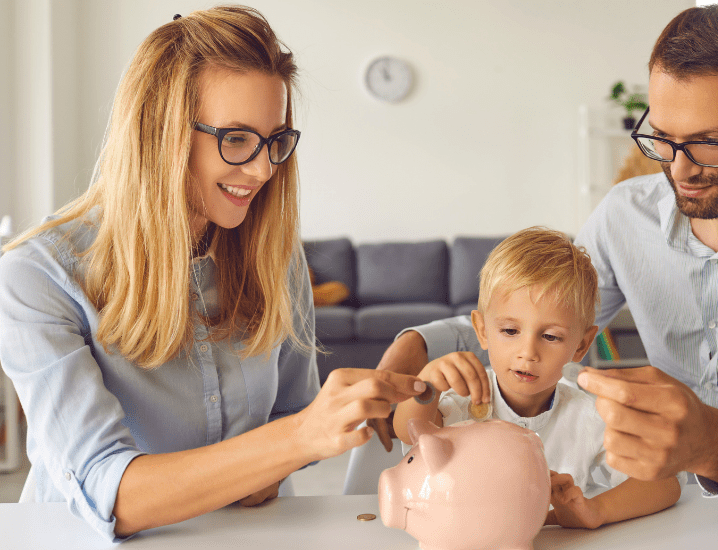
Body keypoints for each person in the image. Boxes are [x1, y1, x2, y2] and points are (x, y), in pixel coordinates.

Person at [372, 4, 718, 509]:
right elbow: (535, 320)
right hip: (681, 513)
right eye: (663, 138)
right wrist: (418, 343)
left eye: (709, 143)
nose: (678, 171)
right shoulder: (624, 216)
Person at [0, 6, 424, 542]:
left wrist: (288, 454)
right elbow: (108, 493)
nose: (263, 169)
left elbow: (290, 413)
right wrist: (295, 441)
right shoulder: (37, 276)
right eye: (236, 138)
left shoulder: (275, 255)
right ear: (160, 133)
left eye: (275, 140)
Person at [392, 227, 680, 528]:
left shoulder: (590, 413)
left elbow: (665, 483)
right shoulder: (464, 399)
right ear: (481, 330)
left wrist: (596, 510)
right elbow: (409, 430)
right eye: (510, 331)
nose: (527, 352)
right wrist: (427, 388)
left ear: (581, 345)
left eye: (551, 336)